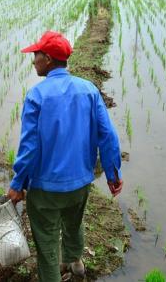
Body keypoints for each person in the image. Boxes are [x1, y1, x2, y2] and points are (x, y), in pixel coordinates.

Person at [7, 31, 123, 282]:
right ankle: (76, 264)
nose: (32, 60)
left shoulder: (36, 96)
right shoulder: (89, 90)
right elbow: (108, 135)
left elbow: (29, 147)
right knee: (73, 221)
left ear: (47, 59)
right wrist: (113, 174)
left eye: (35, 55)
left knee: (47, 241)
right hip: (80, 182)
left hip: (45, 189)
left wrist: (17, 184)